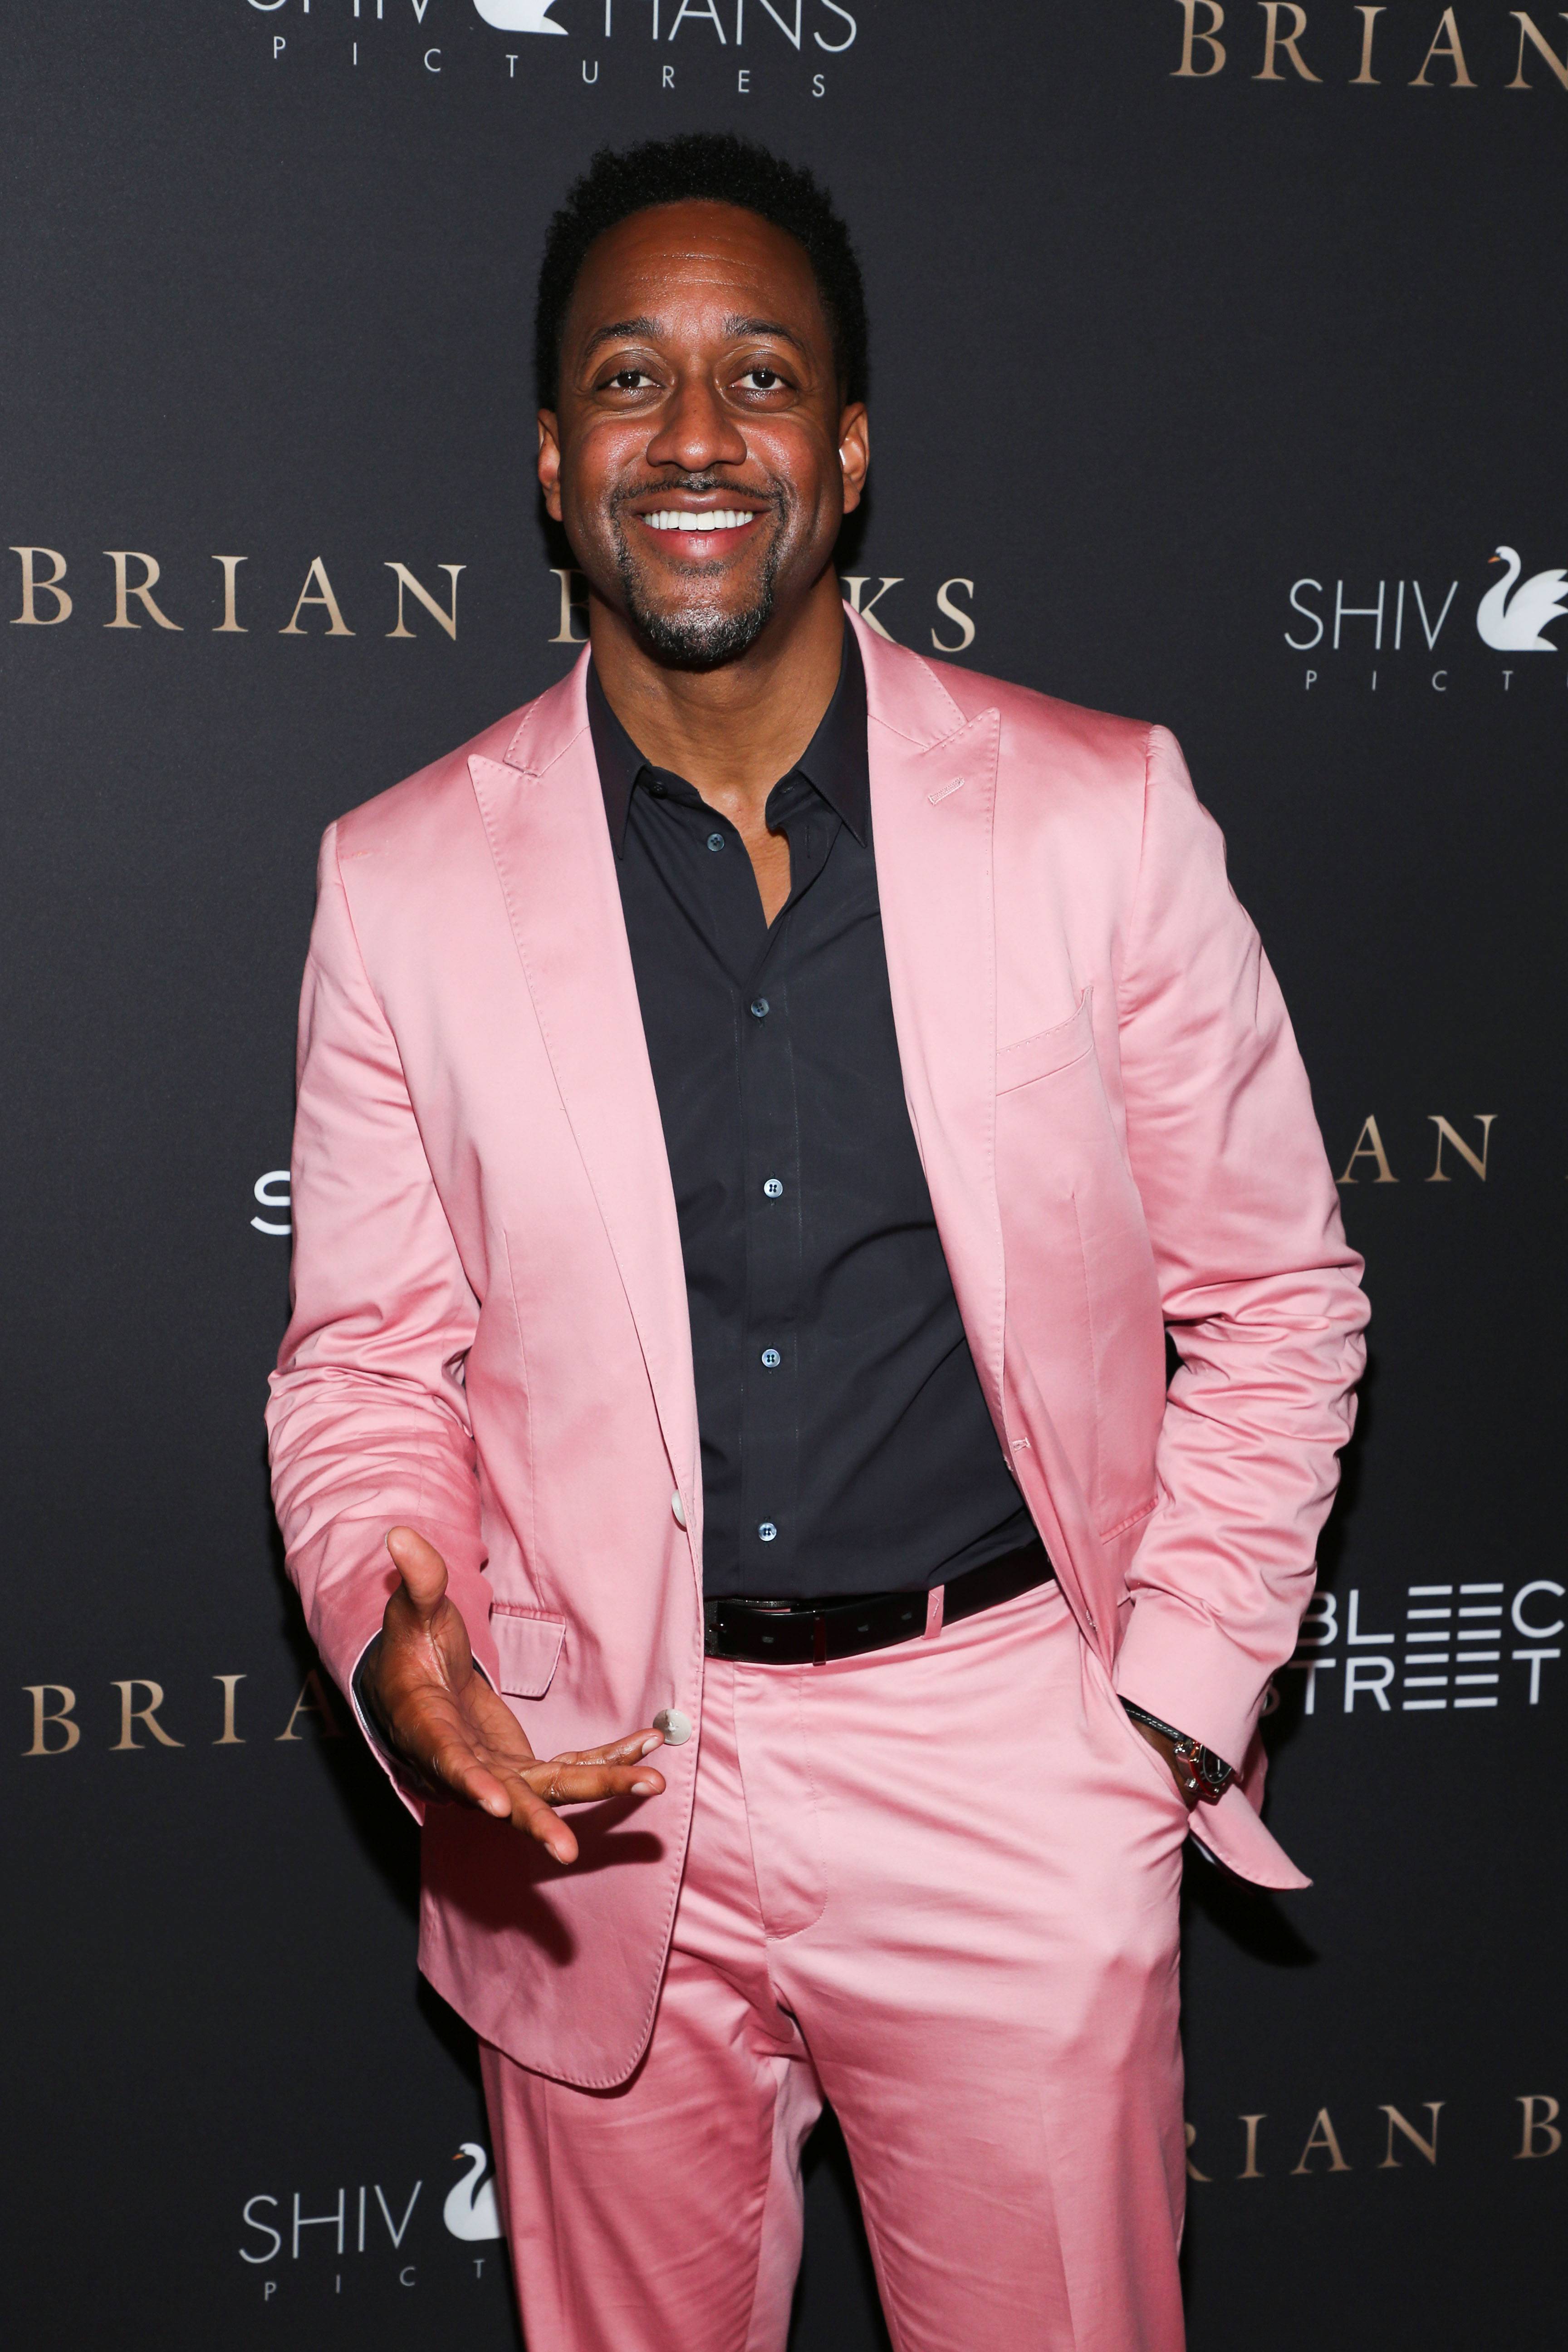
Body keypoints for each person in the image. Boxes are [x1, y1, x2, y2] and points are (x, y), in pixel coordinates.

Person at [267, 132, 1367, 2352]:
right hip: (590, 1800)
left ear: (846, 454)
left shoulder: (1096, 815)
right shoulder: (397, 883)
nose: (695, 437)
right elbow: (367, 1363)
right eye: (631, 380)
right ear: (554, 457)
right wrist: (399, 1643)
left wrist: (1160, 1717)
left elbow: (1279, 1293)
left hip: (1007, 1758)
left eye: (759, 378)